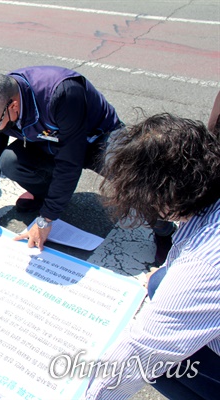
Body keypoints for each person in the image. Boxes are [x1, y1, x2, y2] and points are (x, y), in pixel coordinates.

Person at [84, 113, 220, 399]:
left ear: (165, 196)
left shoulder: (204, 262)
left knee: (159, 364)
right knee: (160, 281)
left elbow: (140, 353)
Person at [0, 67, 126, 250]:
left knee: (139, 181)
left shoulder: (62, 92)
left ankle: (161, 238)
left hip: (97, 139)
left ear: (13, 106)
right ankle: (46, 196)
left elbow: (70, 162)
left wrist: (46, 219)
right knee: (9, 161)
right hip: (51, 141)